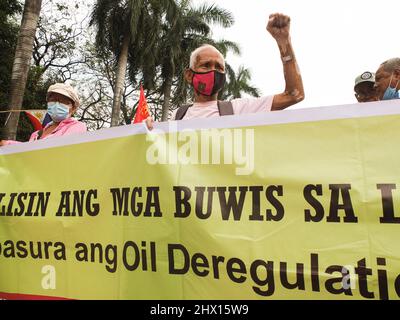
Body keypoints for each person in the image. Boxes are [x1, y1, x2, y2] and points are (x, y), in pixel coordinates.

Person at [146, 13, 304, 130]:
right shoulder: (177, 116)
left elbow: (294, 95)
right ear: (189, 75)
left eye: (219, 67)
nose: (213, 71)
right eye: (206, 65)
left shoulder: (239, 110)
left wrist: (284, 42)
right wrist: (147, 131)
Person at [0, 83, 86, 146]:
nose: (56, 104)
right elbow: (28, 152)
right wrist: (6, 144)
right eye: (53, 100)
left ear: (73, 108)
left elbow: (58, 149)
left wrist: (10, 144)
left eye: (62, 101)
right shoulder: (36, 134)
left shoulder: (77, 126)